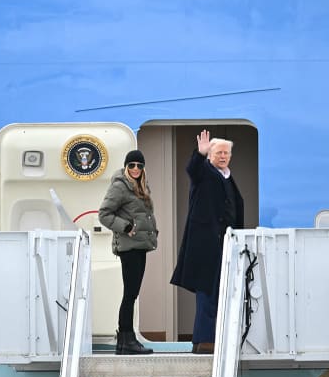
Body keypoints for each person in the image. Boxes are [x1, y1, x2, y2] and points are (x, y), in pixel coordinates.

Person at [170, 130, 244, 354]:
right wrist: (199, 154)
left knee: (221, 292)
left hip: (225, 245)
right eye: (219, 152)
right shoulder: (204, 172)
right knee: (207, 293)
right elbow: (193, 170)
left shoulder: (227, 177)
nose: (223, 156)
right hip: (205, 246)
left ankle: (209, 339)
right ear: (210, 155)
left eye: (226, 153)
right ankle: (205, 340)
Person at [98, 149, 158, 355]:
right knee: (130, 294)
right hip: (129, 246)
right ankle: (126, 338)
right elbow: (104, 214)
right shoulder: (120, 186)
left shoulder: (141, 187)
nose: (135, 169)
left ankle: (125, 342)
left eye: (139, 166)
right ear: (126, 166)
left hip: (140, 245)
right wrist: (125, 227)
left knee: (132, 293)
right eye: (131, 165)